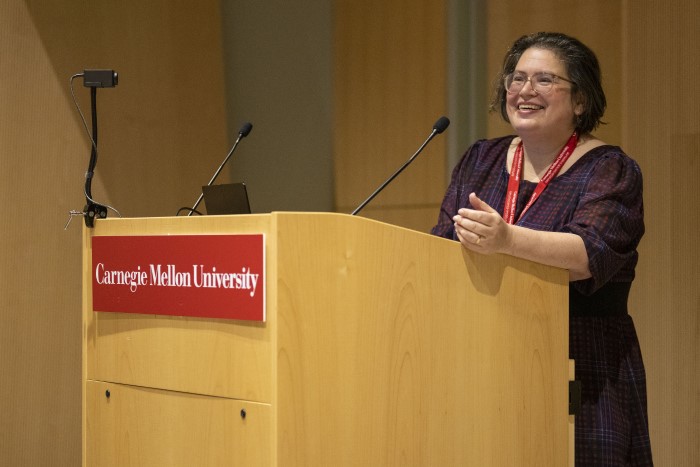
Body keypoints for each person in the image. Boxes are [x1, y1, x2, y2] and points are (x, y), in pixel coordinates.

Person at [431, 32, 653, 465]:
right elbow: (442, 241)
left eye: (545, 80)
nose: (525, 91)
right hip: (487, 352)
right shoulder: (482, 159)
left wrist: (506, 240)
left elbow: (591, 253)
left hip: (582, 359)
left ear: (581, 101)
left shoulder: (610, 169)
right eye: (517, 78)